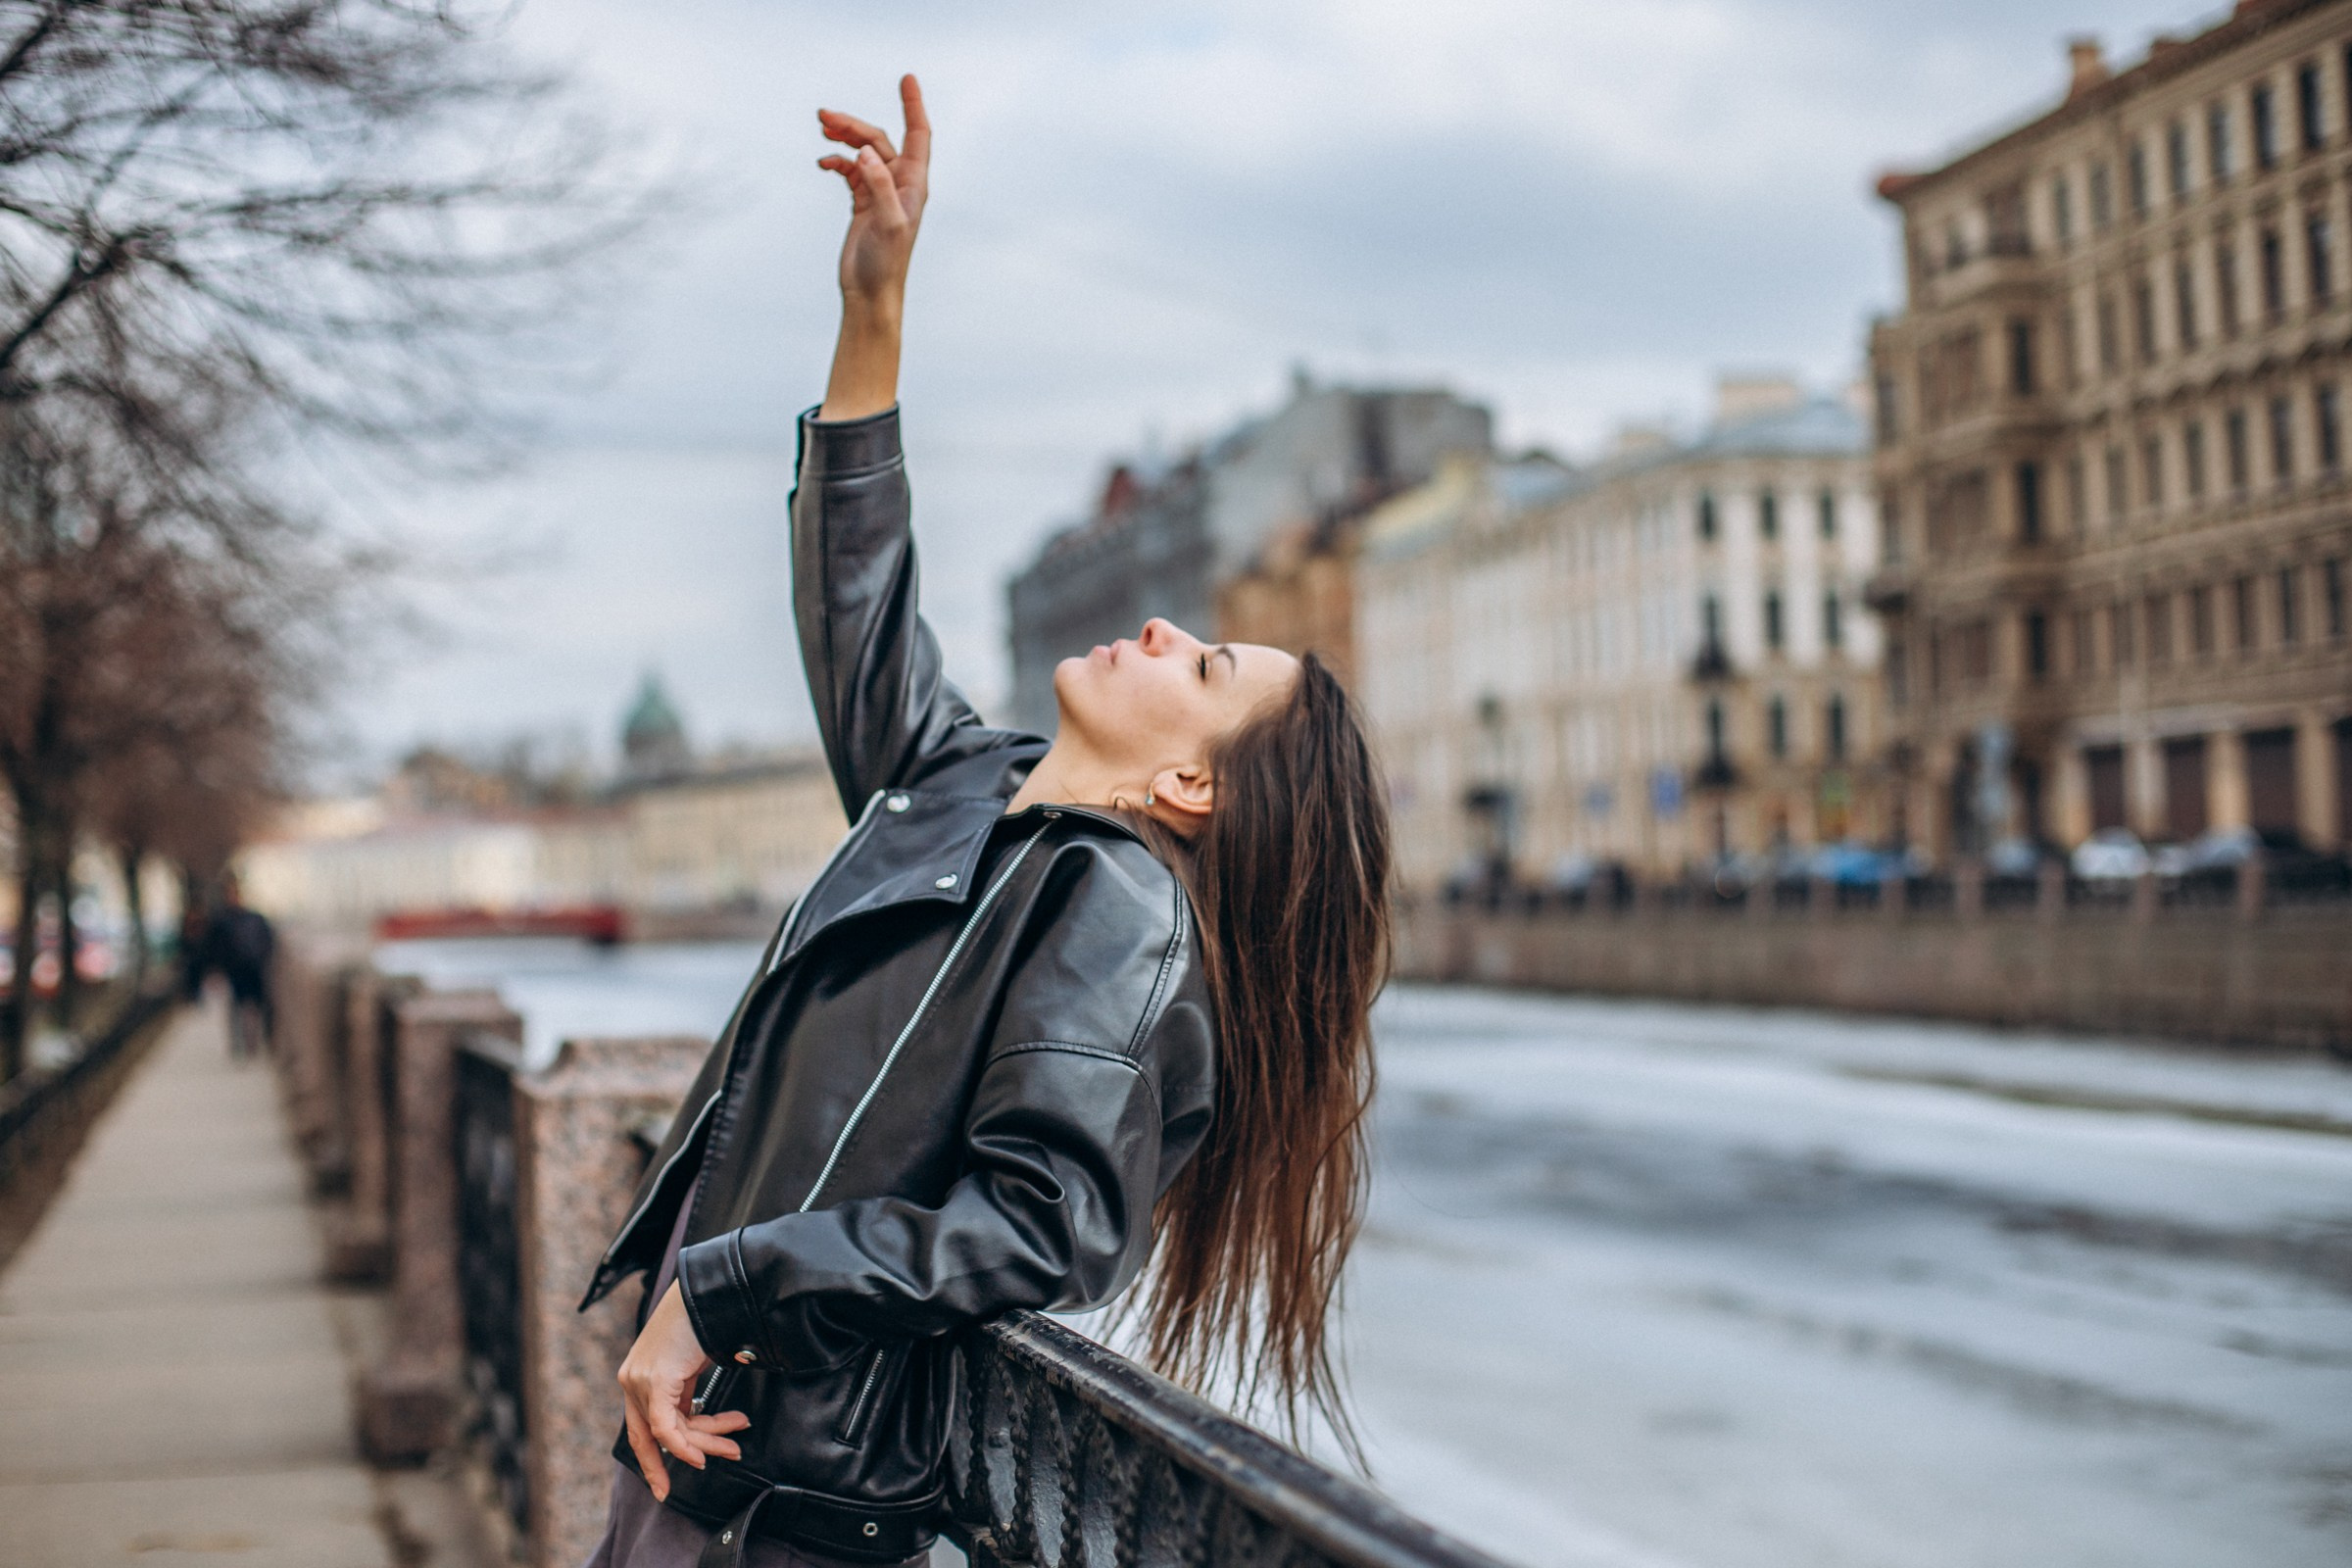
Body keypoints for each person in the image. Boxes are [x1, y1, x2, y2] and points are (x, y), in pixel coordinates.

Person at [579, 75, 1392, 1568]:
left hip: (803, 1500)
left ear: (1192, 787)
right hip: (718, 1438)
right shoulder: (972, 788)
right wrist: (875, 303)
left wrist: (731, 1287)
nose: (1158, 628)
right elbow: (859, 609)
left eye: (1201, 667)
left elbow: (1040, 1223)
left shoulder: (1121, 910)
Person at [204, 875, 274, 1059]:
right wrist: (215, 971)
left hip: (254, 968)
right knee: (236, 1008)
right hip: (234, 971)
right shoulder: (221, 921)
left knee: (255, 1008)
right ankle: (239, 1045)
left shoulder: (255, 918)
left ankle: (253, 1043)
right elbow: (213, 949)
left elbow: (267, 941)